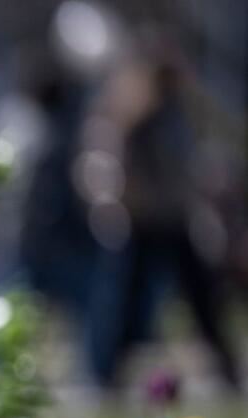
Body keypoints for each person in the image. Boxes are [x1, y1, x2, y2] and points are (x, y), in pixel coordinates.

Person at [83, 43, 239, 390]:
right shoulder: (138, 118)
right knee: (122, 302)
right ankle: (103, 374)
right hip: (141, 222)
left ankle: (227, 368)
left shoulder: (177, 114)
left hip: (172, 219)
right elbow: (120, 170)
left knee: (202, 297)